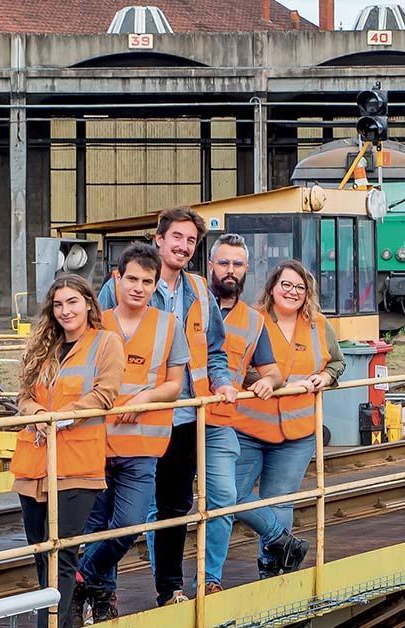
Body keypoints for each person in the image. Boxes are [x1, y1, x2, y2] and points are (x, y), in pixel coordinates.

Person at [97, 206, 235, 607]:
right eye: (177, 237)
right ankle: (102, 590)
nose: (184, 246)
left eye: (192, 240)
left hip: (183, 414)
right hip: (125, 417)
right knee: (111, 511)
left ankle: (169, 589)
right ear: (159, 239)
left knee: (175, 506)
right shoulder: (127, 283)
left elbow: (215, 350)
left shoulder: (199, 291)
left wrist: (222, 383)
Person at [74, 243, 189, 623]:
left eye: (148, 281)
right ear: (116, 279)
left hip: (142, 445)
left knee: (129, 523)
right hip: (93, 443)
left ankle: (80, 578)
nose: (139, 287)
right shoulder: (95, 325)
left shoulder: (168, 325)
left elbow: (175, 384)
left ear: (156, 285)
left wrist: (144, 397)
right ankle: (102, 599)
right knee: (94, 527)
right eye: (133, 279)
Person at [9, 274, 125, 628]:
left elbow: (106, 393)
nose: (65, 311)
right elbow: (24, 397)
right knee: (41, 554)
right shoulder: (43, 346)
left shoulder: (106, 343)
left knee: (60, 553)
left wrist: (64, 417)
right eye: (58, 304)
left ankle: (53, 625)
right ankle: (65, 620)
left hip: (76, 464)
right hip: (35, 464)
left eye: (72, 302)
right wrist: (39, 414)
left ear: (88, 303)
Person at [232, 260, 345, 579]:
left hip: (297, 432)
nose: (292, 292)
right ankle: (281, 541)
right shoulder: (252, 322)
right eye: (286, 285)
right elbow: (239, 367)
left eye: (300, 287)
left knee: (280, 501)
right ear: (271, 288)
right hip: (250, 428)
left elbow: (337, 363)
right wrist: (269, 382)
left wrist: (326, 377)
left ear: (307, 293)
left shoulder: (318, 325)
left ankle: (273, 570)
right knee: (231, 495)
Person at [200, 234, 284, 594]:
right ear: (210, 266)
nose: (230, 270)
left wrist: (269, 381)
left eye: (237, 264)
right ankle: (167, 587)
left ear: (247, 269)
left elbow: (273, 370)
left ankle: (211, 579)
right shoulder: (190, 303)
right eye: (223, 263)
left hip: (220, 422)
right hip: (173, 419)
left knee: (222, 500)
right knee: (160, 511)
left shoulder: (253, 321)